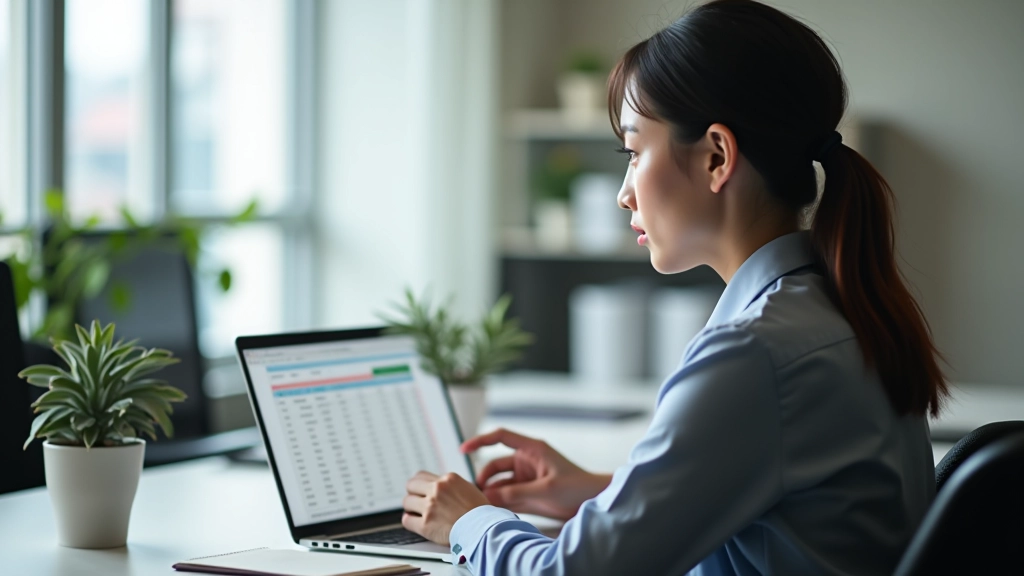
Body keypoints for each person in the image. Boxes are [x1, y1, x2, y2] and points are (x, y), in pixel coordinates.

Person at [401, 0, 947, 573]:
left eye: (634, 152)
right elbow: (780, 501)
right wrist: (599, 491)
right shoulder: (837, 310)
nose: (624, 194)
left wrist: (470, 521)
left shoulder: (755, 354)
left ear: (716, 157)